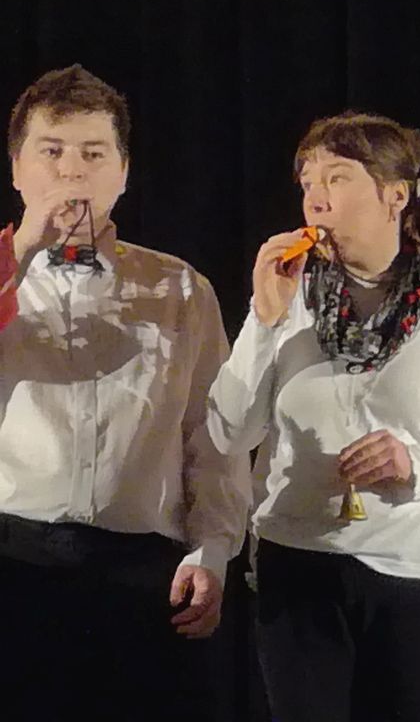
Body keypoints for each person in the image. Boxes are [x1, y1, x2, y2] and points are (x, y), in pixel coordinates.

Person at [207, 111, 420, 722]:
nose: (316, 199)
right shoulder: (291, 298)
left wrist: (415, 462)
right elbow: (229, 433)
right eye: (307, 183)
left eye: (337, 178)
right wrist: (263, 319)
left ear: (395, 196)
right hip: (299, 562)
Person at [0, 65, 250, 721]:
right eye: (52, 152)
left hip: (139, 570)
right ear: (17, 169)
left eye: (93, 154)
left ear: (124, 174)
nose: (71, 173)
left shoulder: (180, 287)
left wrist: (214, 551)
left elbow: (213, 439)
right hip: (13, 560)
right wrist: (22, 250)